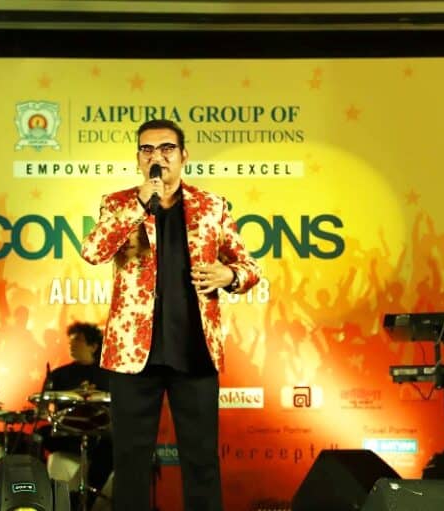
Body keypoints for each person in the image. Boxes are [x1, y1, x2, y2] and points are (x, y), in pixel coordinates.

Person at [80, 118, 260, 511]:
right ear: (138, 159)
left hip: (194, 351)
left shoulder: (212, 206)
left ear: (183, 156)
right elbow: (93, 251)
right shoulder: (118, 203)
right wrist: (138, 205)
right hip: (132, 355)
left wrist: (229, 275)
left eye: (166, 149)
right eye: (147, 150)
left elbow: (250, 268)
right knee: (130, 463)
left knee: (201, 462)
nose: (156, 157)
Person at [42, 321, 112, 511]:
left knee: (112, 446)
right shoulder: (58, 375)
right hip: (68, 433)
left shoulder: (109, 375)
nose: (72, 344)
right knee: (39, 436)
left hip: (100, 434)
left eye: (78, 340)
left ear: (93, 346)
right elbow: (44, 407)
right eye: (70, 341)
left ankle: (87, 502)